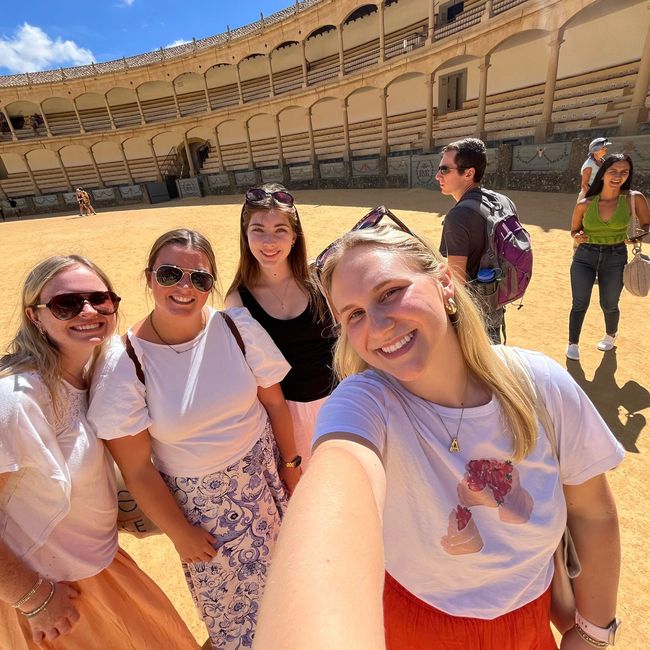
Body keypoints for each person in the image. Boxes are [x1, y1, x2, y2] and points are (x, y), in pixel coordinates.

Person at [254, 218, 624, 650]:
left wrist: (594, 634)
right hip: (414, 626)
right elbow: (337, 486)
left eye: (390, 292)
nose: (377, 325)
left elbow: (593, 513)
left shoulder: (540, 384)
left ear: (445, 283)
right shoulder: (363, 404)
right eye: (353, 315)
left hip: (529, 621)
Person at [87, 228, 300, 649]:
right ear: (149, 277)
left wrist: (291, 468)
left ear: (211, 286)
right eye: (170, 274)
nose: (185, 287)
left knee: (294, 591)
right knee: (240, 622)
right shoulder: (127, 361)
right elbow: (136, 468)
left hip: (268, 483)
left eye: (199, 279)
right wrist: (179, 533)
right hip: (206, 513)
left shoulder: (235, 327)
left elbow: (275, 405)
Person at [0, 254, 199, 650]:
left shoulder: (90, 373)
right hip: (50, 596)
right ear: (35, 315)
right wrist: (34, 598)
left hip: (99, 569)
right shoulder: (16, 398)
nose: (88, 310)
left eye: (100, 299)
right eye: (66, 303)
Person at [225, 184, 337, 467]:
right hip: (285, 421)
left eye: (280, 230)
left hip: (340, 405)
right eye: (258, 230)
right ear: (245, 235)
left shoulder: (321, 280)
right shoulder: (237, 301)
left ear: (294, 237)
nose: (269, 242)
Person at [567, 153, 650, 361]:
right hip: (585, 256)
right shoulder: (585, 204)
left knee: (609, 303)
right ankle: (573, 343)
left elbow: (647, 224)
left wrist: (638, 234)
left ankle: (610, 334)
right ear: (603, 174)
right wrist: (579, 236)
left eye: (624, 172)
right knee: (579, 302)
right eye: (613, 171)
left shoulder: (634, 198)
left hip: (615, 256)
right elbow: (574, 231)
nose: (618, 176)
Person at [437, 137, 517, 344]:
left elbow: (457, 281)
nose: (438, 176)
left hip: (474, 315)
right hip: (497, 301)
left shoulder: (458, 216)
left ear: (469, 173)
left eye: (445, 170)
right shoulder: (503, 202)